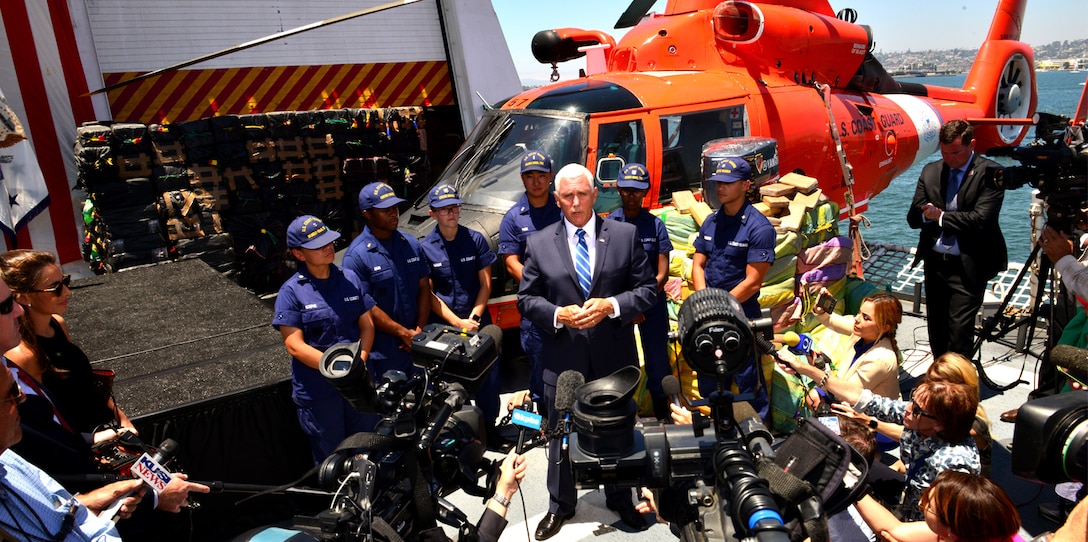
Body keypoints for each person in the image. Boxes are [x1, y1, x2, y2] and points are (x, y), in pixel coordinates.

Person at [517, 163, 657, 539]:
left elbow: (647, 291)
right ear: (557, 199)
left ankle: (621, 498)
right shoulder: (539, 242)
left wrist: (611, 305)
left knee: (618, 432)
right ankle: (560, 505)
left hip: (613, 358)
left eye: (582, 194)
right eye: (568, 196)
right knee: (560, 437)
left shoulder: (626, 236)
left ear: (595, 194)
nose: (576, 203)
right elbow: (527, 299)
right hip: (563, 363)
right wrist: (557, 314)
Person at [0, 276, 145, 540]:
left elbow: (59, 509)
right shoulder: (22, 358)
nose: (20, 398)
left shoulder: (11, 465)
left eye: (65, 280)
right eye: (7, 305)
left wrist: (84, 503)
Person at [273, 215, 377, 462]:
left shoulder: (349, 278)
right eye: (319, 246)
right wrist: (338, 369)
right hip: (320, 392)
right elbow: (294, 345)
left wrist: (358, 361)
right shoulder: (291, 292)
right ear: (299, 254)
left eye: (329, 242)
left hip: (358, 385)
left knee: (367, 448)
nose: (328, 248)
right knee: (333, 456)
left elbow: (367, 324)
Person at [0, 250, 134, 441]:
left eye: (65, 282)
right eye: (54, 287)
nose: (67, 292)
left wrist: (122, 419)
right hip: (86, 443)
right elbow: (45, 421)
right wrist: (95, 439)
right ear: (24, 297)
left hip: (109, 428)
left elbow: (86, 384)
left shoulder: (57, 324)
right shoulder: (24, 355)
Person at [906, 119, 1006, 358]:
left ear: (972, 144)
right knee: (937, 328)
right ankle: (940, 379)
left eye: (956, 152)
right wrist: (927, 216)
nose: (950, 158)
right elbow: (913, 217)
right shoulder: (930, 172)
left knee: (960, 330)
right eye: (945, 152)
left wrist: (940, 217)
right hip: (936, 263)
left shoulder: (991, 174)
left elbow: (981, 220)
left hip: (970, 263)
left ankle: (958, 386)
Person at [691, 156, 774, 417]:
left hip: (742, 315)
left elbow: (753, 281)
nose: (720, 188)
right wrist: (704, 301)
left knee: (749, 380)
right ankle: (719, 432)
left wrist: (720, 307)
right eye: (718, 183)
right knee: (710, 379)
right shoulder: (711, 222)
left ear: (746, 185)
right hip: (709, 314)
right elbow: (698, 264)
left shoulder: (759, 228)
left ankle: (760, 438)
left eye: (728, 183)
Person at [828, 379, 980, 521]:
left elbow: (946, 526)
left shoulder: (952, 465)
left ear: (940, 425)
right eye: (912, 399)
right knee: (860, 463)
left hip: (924, 522)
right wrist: (811, 371)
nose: (906, 409)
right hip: (909, 496)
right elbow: (872, 402)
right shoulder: (925, 419)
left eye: (916, 410)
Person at [419, 184, 501, 430]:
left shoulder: (475, 239)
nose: (451, 213)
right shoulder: (425, 247)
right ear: (432, 213)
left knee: (487, 376)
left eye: (454, 207)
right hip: (446, 327)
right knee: (449, 383)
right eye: (444, 209)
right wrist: (457, 323)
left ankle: (489, 427)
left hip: (477, 320)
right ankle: (458, 430)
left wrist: (474, 317)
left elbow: (485, 284)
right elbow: (430, 294)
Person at [343, 182, 431, 379]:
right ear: (367, 213)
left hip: (419, 344)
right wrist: (403, 333)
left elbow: (424, 287)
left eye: (395, 207)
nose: (394, 213)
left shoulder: (411, 244)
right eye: (385, 210)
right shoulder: (356, 256)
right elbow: (365, 306)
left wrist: (419, 330)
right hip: (385, 353)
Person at [606, 163, 674, 420]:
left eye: (637, 190)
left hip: (652, 304)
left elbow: (662, 273)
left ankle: (663, 413)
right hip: (619, 306)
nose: (631, 195)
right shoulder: (608, 225)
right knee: (621, 361)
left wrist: (641, 304)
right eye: (626, 190)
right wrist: (628, 306)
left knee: (658, 360)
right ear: (619, 190)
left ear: (645, 192)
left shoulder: (655, 226)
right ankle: (622, 414)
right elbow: (606, 273)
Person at [498, 150, 562, 408]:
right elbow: (511, 263)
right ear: (522, 179)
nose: (536, 181)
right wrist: (542, 281)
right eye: (530, 176)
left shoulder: (563, 210)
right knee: (539, 362)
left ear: (551, 177)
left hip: (565, 300)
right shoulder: (513, 218)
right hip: (535, 304)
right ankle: (544, 416)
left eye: (541, 175)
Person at [853, 470, 1022, 542]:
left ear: (952, 530)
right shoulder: (982, 531)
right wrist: (852, 482)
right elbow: (893, 529)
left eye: (929, 505)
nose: (920, 504)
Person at [804, 291, 904, 405]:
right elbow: (830, 320)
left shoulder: (879, 360)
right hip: (848, 398)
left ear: (884, 327)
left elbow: (845, 395)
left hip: (868, 417)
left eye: (866, 318)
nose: (857, 318)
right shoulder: (864, 332)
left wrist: (818, 370)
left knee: (815, 398)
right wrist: (820, 309)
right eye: (859, 313)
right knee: (815, 397)